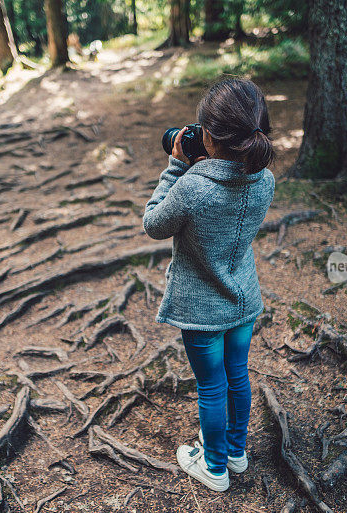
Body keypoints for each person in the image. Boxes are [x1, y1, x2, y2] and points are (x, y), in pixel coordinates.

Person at [142, 78, 276, 491]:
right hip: (243, 301)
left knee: (212, 387)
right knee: (238, 375)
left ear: (210, 137)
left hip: (201, 310)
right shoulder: (265, 180)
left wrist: (178, 165)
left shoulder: (193, 186)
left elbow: (153, 223)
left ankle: (214, 468)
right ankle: (235, 451)